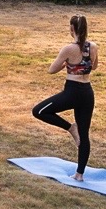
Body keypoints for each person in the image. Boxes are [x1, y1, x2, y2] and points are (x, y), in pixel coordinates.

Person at [31, 13, 97, 180]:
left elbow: (51, 69)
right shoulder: (93, 47)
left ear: (72, 28)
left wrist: (66, 64)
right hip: (87, 93)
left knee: (39, 111)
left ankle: (70, 128)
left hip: (73, 92)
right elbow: (94, 66)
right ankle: (79, 175)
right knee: (84, 134)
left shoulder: (69, 49)